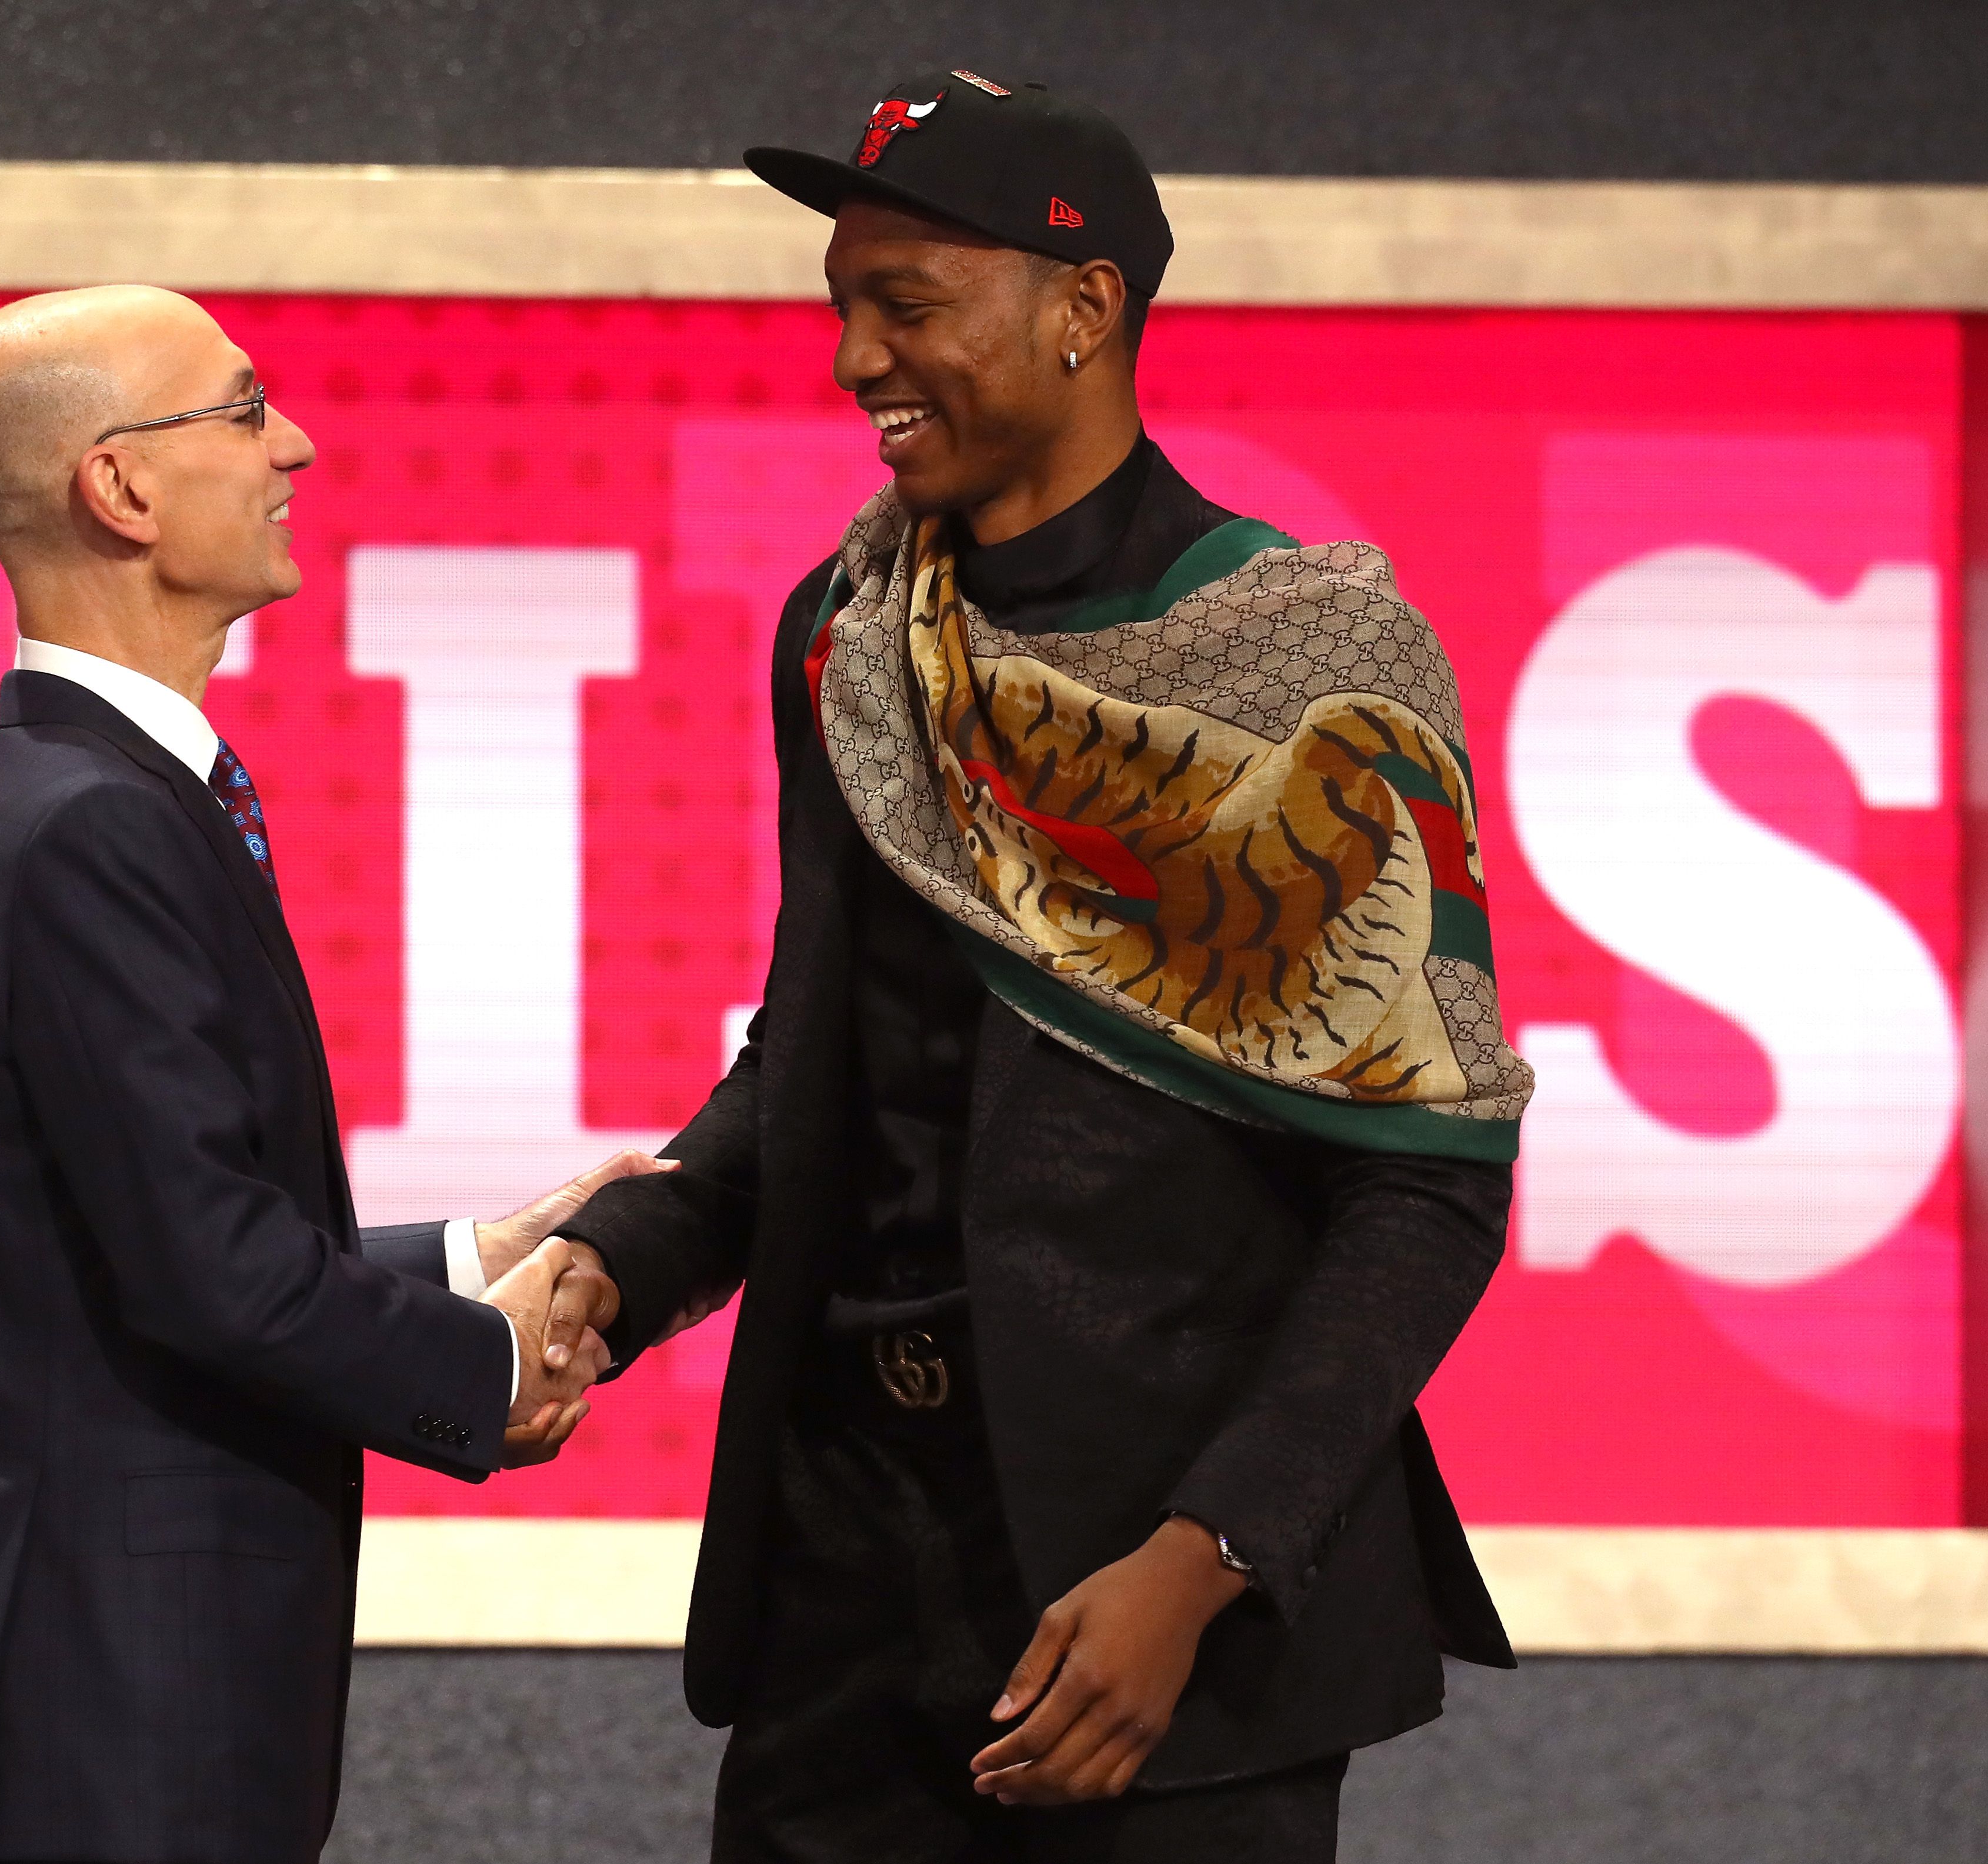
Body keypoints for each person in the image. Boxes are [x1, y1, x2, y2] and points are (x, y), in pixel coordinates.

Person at [553, 74, 1534, 1862]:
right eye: (841, 308)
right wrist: (615, 1265)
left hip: (1161, 1606)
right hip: (845, 1576)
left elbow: (1425, 1187)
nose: (855, 359)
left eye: (906, 306)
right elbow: (812, 1057)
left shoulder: (1316, 657)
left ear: (1084, 310)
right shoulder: (849, 635)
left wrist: (1203, 1558)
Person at [0, 285, 638, 1864]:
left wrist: (476, 1254)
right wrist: (487, 1368)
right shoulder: (88, 825)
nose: (295, 442)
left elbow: (148, 1239)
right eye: (242, 406)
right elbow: (209, 1273)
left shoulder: (104, 800)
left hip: (133, 1700)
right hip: (102, 1718)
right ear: (122, 487)